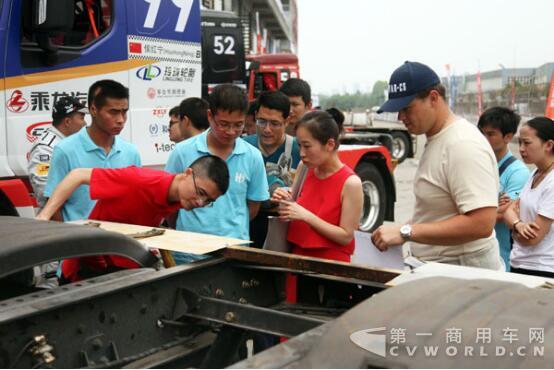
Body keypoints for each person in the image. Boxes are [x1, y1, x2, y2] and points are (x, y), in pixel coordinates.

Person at [371, 61, 502, 270]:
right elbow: (440, 210)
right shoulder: (437, 138)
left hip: (463, 273)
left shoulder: (462, 145)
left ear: (433, 98)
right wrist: (406, 228)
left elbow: (482, 223)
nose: (401, 117)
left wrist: (406, 232)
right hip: (443, 269)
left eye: (406, 108)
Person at [37, 155, 230, 282]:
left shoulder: (180, 196)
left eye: (208, 200)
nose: (199, 202)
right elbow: (77, 175)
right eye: (200, 192)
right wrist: (45, 216)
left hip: (121, 268)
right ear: (188, 173)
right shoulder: (138, 180)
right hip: (84, 270)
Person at [165, 84, 269, 264]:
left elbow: (252, 208)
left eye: (238, 125)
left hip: (234, 253)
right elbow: (169, 201)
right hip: (187, 252)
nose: (230, 132)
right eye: (223, 124)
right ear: (209, 116)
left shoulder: (253, 157)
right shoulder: (183, 152)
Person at [272, 111, 363, 262]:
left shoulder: (351, 183)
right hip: (295, 257)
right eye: (299, 146)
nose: (301, 153)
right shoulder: (304, 168)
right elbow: (292, 211)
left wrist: (306, 216)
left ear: (330, 144)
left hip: (329, 264)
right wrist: (283, 200)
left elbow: (346, 236)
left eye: (307, 146)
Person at [44, 80, 141, 221]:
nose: (121, 120)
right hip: (80, 240)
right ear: (93, 110)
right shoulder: (65, 150)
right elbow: (53, 206)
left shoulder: (131, 152)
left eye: (124, 112)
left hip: (121, 239)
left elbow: (137, 200)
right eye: (113, 112)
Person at [244, 91, 301, 247]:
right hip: (246, 229)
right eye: (261, 121)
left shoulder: (300, 150)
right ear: (255, 115)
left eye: (275, 124)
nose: (267, 129)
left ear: (287, 120)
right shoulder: (242, 147)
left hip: (286, 233)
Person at [477, 107, 530, 269]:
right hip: (472, 254)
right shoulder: (475, 163)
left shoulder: (518, 172)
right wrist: (494, 202)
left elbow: (505, 212)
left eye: (491, 134)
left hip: (501, 257)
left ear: (508, 137)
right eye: (481, 132)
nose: (484, 138)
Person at [504, 117, 554, 278]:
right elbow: (509, 210)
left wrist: (512, 228)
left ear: (549, 145)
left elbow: (533, 238)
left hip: (541, 268)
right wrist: (518, 225)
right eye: (520, 143)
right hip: (520, 263)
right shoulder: (535, 173)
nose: (521, 148)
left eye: (527, 143)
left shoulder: (552, 181)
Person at [28, 96, 87, 208]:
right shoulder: (45, 148)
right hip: (58, 219)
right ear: (68, 122)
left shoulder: (72, 142)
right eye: (82, 118)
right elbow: (45, 193)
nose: (85, 124)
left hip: (76, 215)